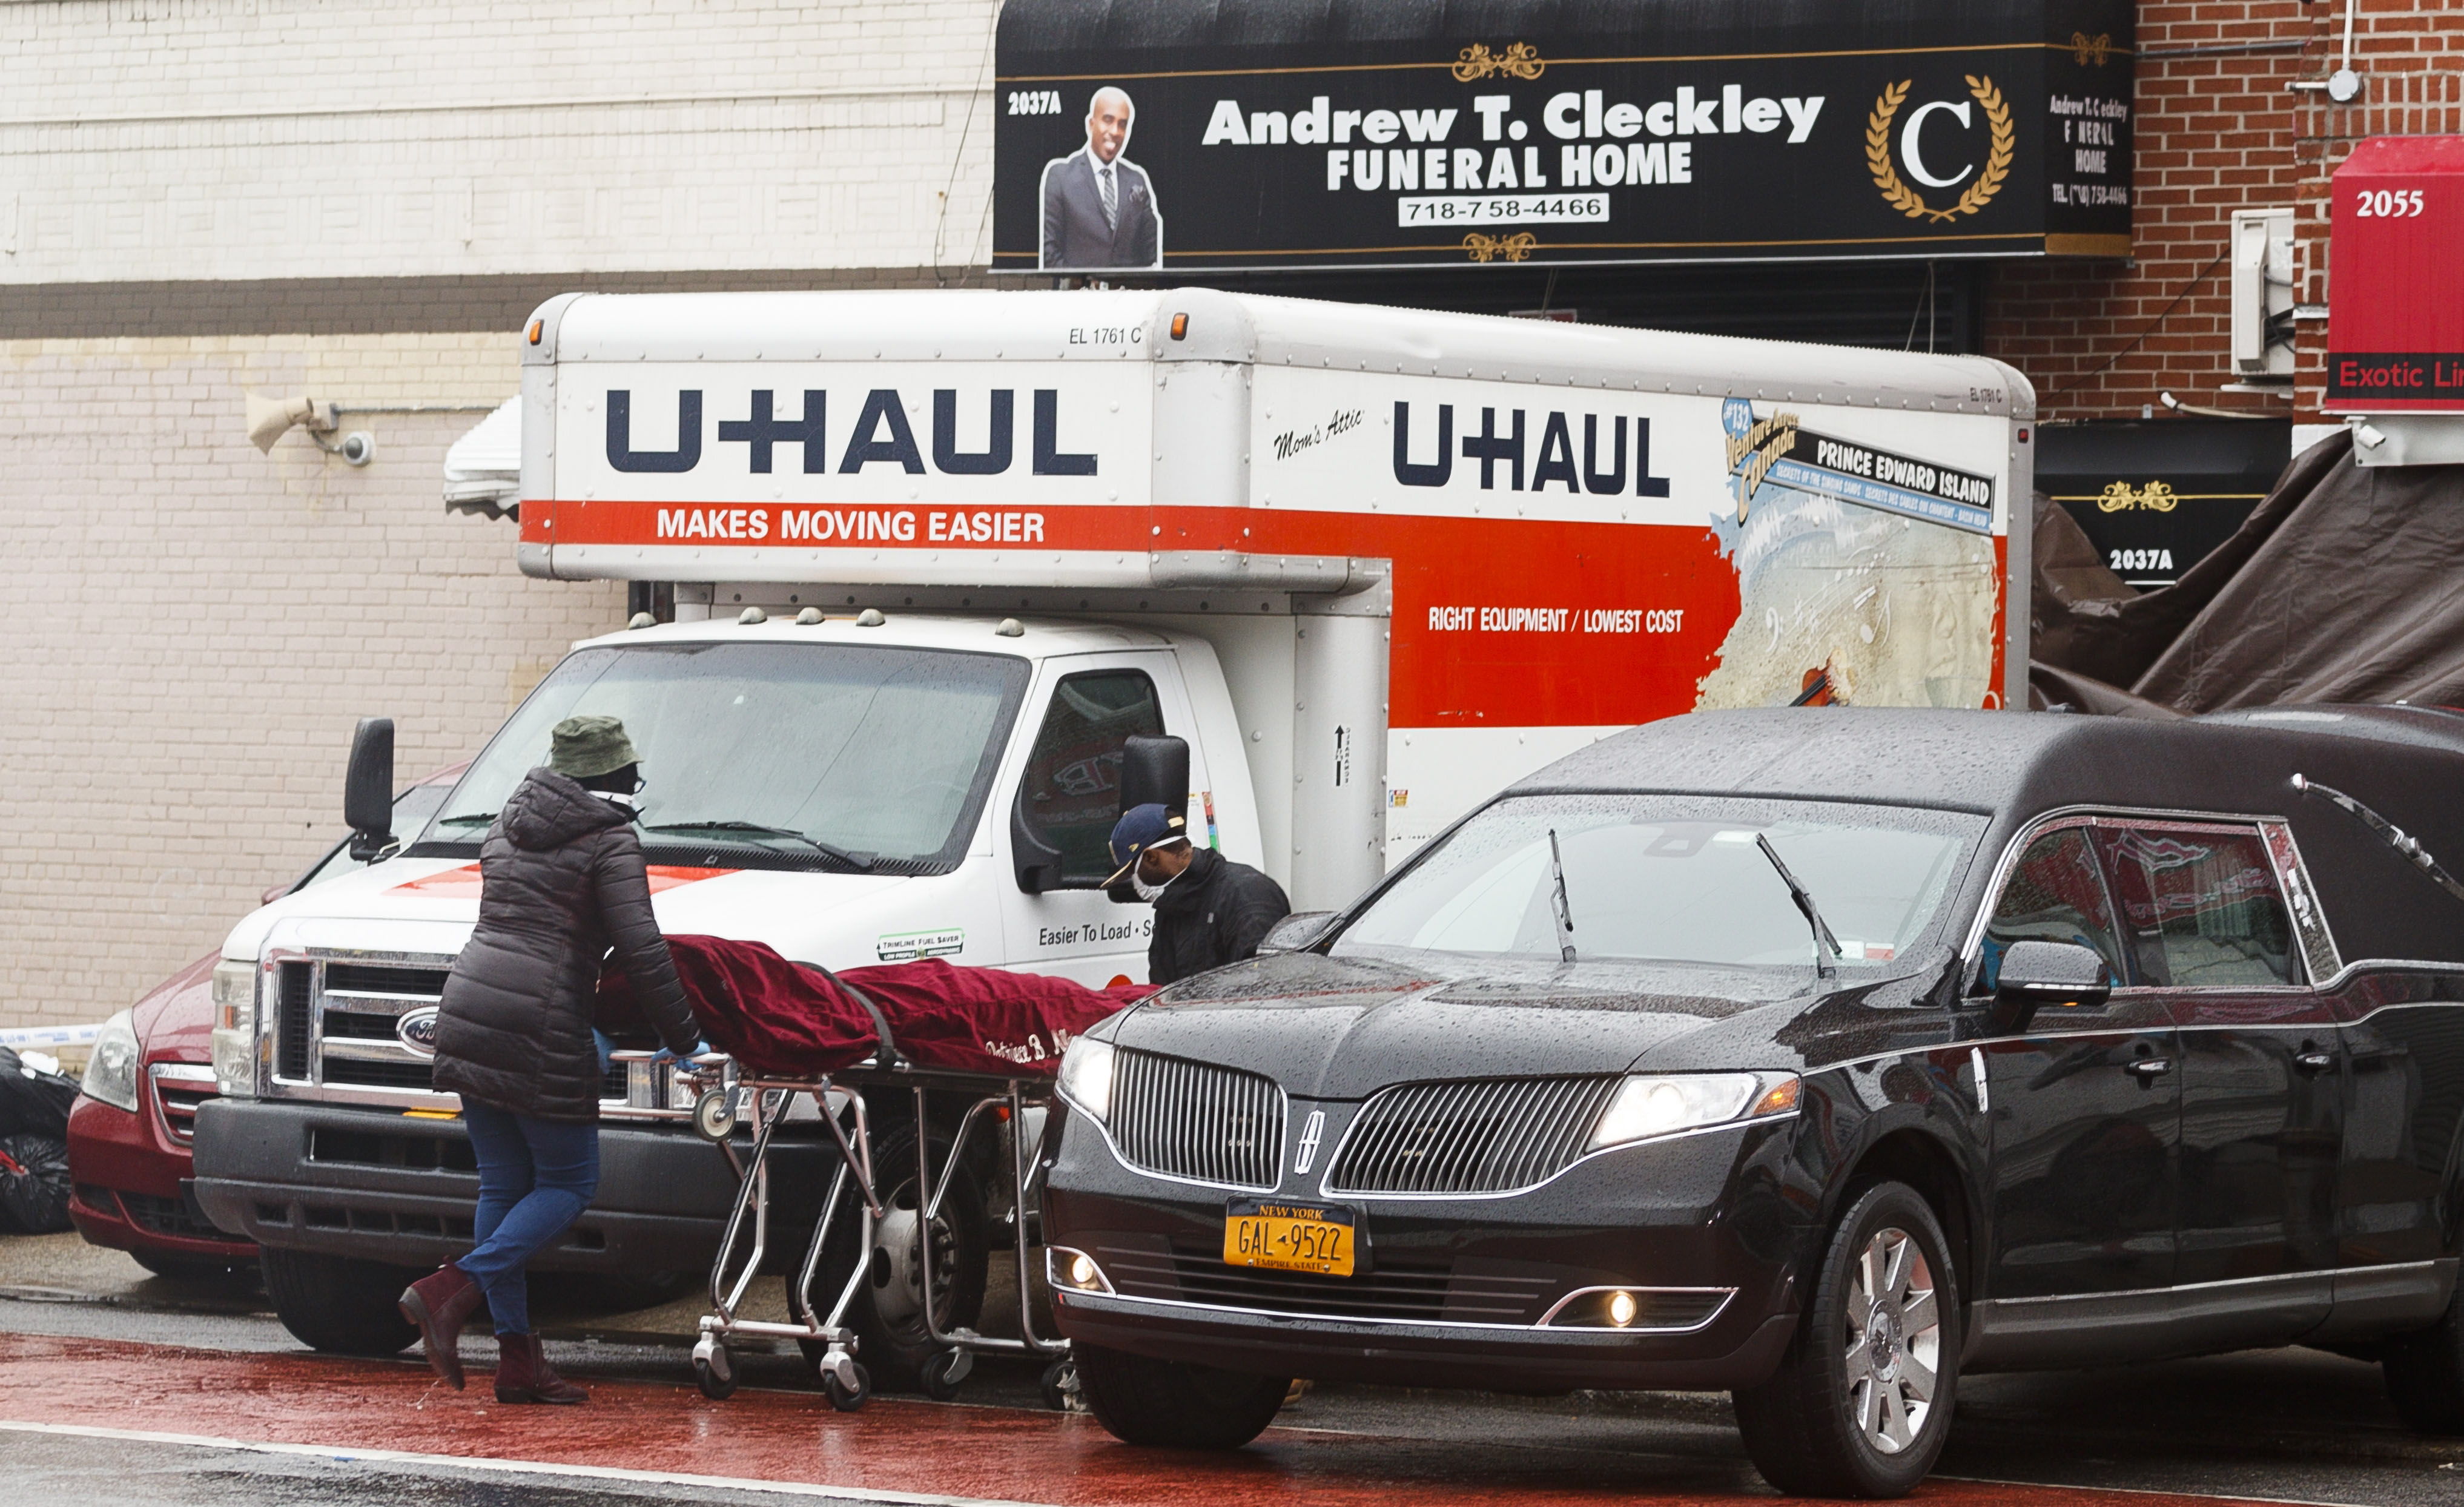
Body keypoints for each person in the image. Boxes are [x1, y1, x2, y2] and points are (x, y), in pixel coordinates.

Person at [396, 714, 704, 1405]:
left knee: (504, 1188)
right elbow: (643, 948)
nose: (637, 784)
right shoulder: (609, 836)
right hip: (541, 1023)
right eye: (631, 773)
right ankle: (451, 1288)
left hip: (470, 1009)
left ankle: (518, 1360)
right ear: (613, 776)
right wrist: (687, 1039)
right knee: (568, 1184)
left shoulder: (509, 823)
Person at [1105, 803, 1290, 986]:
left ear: (1151, 858)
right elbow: (1163, 990)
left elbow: (1264, 986)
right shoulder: (1171, 907)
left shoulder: (1246, 894)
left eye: (1133, 874)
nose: (1135, 883)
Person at [1039, 86, 1162, 271]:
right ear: (1091, 124)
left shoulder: (1137, 180)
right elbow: (1051, 253)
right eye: (1108, 120)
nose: (1115, 131)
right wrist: (1086, 288)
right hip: (1078, 297)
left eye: (1122, 124)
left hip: (1128, 297)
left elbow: (1150, 252)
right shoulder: (1061, 177)